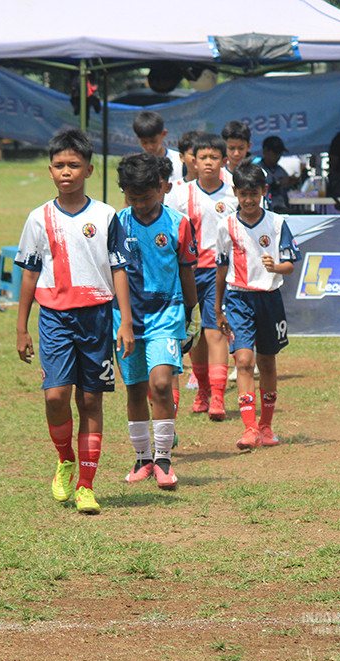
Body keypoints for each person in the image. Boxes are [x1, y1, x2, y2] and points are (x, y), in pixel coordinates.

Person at [14, 128, 134, 515]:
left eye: (74, 165)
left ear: (89, 170)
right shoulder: (38, 218)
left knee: (90, 399)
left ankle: (86, 485)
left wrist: (125, 321)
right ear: (50, 170)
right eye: (60, 165)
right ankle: (65, 458)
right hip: (53, 317)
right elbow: (30, 274)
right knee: (55, 396)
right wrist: (21, 327)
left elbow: (119, 270)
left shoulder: (105, 216)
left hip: (97, 316)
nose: (66, 171)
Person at [114, 153, 198, 489]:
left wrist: (193, 314)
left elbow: (186, 270)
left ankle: (164, 459)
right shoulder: (117, 223)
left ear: (161, 188)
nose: (140, 204)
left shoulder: (177, 223)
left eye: (146, 197)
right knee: (135, 389)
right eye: (132, 198)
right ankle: (142, 459)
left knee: (161, 383)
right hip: (126, 320)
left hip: (167, 315)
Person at [214, 162, 300, 449]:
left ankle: (266, 426)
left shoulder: (276, 224)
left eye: (254, 193)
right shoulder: (226, 226)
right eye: (242, 194)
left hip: (269, 300)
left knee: (267, 362)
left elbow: (289, 266)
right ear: (235, 193)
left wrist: (275, 266)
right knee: (243, 360)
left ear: (264, 191)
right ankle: (249, 428)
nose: (248, 200)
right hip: (238, 298)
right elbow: (220, 269)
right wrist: (217, 308)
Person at [165, 134, 236, 420]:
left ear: (224, 161)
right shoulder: (180, 194)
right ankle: (203, 387)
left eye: (214, 158)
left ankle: (217, 396)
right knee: (195, 336)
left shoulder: (233, 193)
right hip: (189, 272)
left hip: (221, 274)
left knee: (215, 330)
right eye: (203, 157)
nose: (208, 163)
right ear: (193, 160)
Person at [132, 110, 183, 183]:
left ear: (164, 134)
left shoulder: (179, 161)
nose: (149, 147)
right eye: (144, 142)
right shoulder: (135, 165)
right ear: (137, 138)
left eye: (153, 141)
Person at [257, 136, 297, 213]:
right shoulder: (257, 169)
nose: (278, 156)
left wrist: (292, 182)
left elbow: (290, 189)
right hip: (264, 209)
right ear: (265, 151)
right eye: (275, 153)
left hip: (283, 207)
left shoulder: (280, 170)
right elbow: (257, 188)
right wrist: (278, 183)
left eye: (280, 153)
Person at [221, 121, 252, 190]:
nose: (236, 153)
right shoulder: (217, 176)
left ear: (248, 146)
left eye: (241, 148)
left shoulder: (259, 175)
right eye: (231, 148)